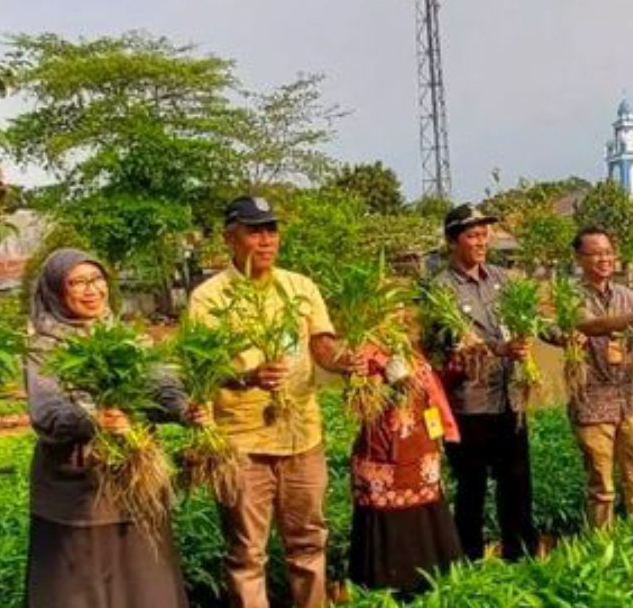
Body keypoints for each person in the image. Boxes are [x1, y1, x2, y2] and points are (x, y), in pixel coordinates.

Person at [187, 196, 358, 608]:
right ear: (231, 238)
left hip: (303, 437)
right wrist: (249, 377)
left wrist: (349, 362)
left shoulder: (299, 286)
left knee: (309, 542)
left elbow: (323, 348)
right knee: (247, 553)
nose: (266, 240)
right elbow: (200, 371)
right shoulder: (209, 298)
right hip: (243, 444)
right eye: (254, 230)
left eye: (271, 230)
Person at [24, 249, 195, 608]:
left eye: (97, 279)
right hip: (77, 495)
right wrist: (93, 419)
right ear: (56, 290)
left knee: (144, 585)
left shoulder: (125, 336)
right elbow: (47, 412)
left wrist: (183, 409)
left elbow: (160, 384)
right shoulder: (42, 344)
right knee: (80, 590)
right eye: (77, 282)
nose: (91, 290)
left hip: (135, 488)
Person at [431, 204, 539, 560]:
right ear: (452, 241)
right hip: (469, 403)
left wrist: (538, 336)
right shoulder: (440, 288)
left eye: (484, 234)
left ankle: (520, 557)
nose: (481, 242)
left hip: (509, 399)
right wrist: (496, 347)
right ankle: (469, 561)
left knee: (517, 483)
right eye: (472, 235)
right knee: (471, 488)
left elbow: (527, 317)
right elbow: (442, 340)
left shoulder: (502, 279)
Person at [546, 228, 633, 529]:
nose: (605, 258)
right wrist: (571, 333)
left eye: (608, 251)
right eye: (596, 253)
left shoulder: (626, 295)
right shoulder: (568, 297)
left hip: (627, 399)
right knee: (602, 485)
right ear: (579, 258)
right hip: (592, 402)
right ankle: (601, 547)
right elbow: (549, 329)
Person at [347, 337, 462, 598]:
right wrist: (387, 377)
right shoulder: (362, 355)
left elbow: (434, 390)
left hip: (420, 449)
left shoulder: (413, 351)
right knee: (390, 523)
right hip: (383, 451)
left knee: (424, 520)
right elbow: (357, 400)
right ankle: (389, 591)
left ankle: (432, 588)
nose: (398, 313)